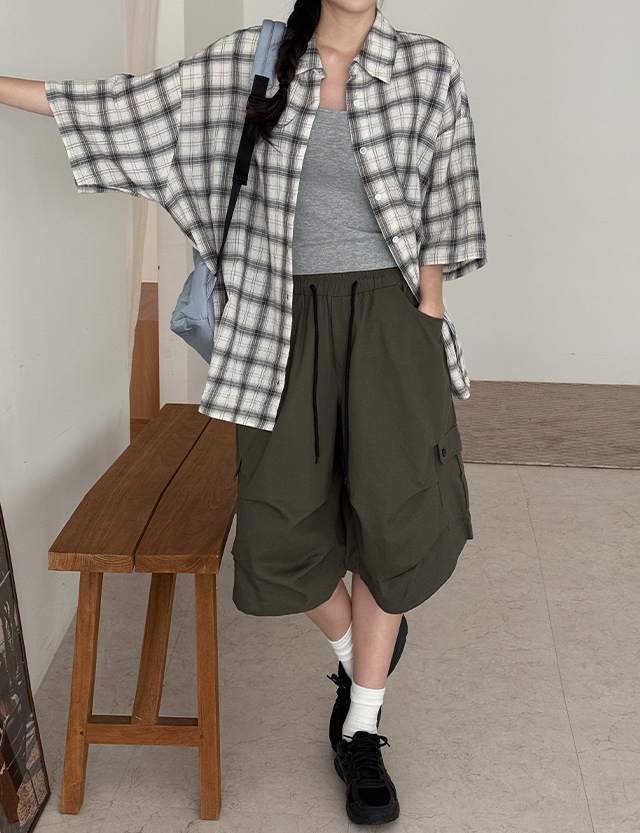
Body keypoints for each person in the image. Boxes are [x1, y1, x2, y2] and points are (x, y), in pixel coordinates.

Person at [0, 0, 487, 824]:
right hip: (280, 323)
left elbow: (450, 195)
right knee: (279, 521)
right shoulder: (252, 62)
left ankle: (363, 728)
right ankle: (356, 651)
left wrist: (428, 313)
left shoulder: (427, 65)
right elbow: (127, 106)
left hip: (392, 318)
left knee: (396, 514)